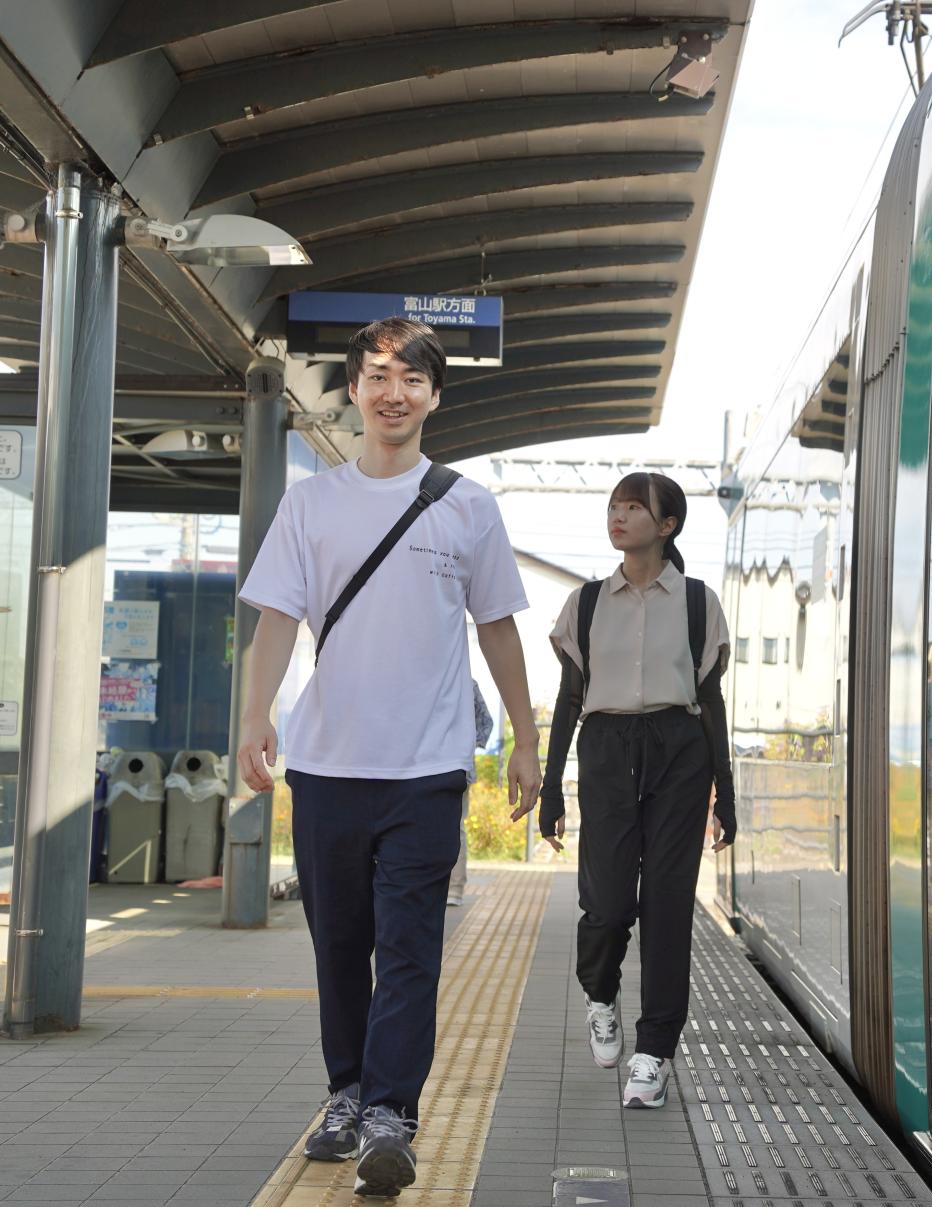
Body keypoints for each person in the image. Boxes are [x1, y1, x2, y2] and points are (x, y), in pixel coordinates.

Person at [235, 318, 538, 1197]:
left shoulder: (468, 506)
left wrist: (526, 735)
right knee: (340, 943)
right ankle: (346, 1091)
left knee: (409, 945)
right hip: (327, 765)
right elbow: (275, 621)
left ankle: (389, 1116)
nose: (392, 392)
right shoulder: (311, 504)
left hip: (427, 770)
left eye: (411, 378)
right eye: (377, 376)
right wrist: (256, 714)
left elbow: (498, 628)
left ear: (435, 396)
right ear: (356, 391)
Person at [516, 472, 735, 1110]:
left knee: (668, 907)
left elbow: (711, 699)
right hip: (608, 749)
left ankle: (654, 1051)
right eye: (615, 506)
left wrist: (727, 791)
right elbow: (569, 698)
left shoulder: (698, 602)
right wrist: (552, 786)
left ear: (666, 526)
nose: (619, 516)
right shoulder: (586, 603)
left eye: (634, 508)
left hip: (681, 752)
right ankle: (600, 994)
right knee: (608, 905)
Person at [448, 680, 496, 907]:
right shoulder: (469, 683)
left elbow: (486, 722)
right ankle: (453, 889)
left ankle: (454, 887)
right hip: (460, 766)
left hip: (452, 768)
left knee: (453, 827)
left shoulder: (467, 684)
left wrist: (468, 744)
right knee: (456, 827)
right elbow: (486, 722)